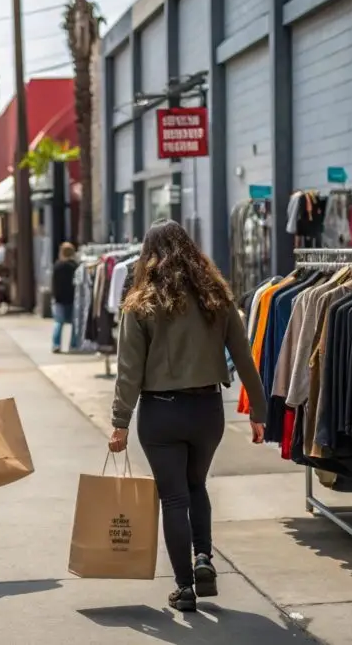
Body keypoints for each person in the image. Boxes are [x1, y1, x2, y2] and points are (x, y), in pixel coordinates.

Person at [109, 220, 266, 613]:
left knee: (173, 498)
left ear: (148, 254)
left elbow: (129, 370)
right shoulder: (218, 298)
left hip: (160, 413)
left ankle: (184, 588)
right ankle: (203, 558)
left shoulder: (140, 302)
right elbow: (244, 357)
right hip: (206, 410)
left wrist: (120, 422)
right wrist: (259, 412)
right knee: (197, 485)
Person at [51, 242, 78, 353]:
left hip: (59, 298)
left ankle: (56, 345)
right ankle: (73, 344)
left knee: (58, 322)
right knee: (74, 323)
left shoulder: (57, 266)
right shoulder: (75, 266)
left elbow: (54, 283)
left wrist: (54, 296)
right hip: (72, 298)